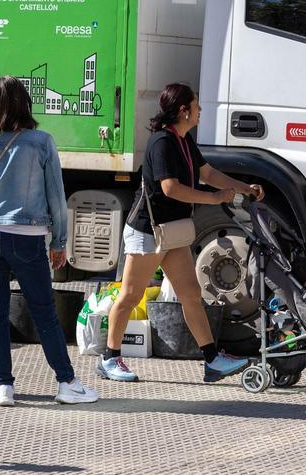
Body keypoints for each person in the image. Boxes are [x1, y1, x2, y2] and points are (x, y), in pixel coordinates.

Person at [98, 82, 262, 384]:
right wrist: (214, 198)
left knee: (191, 294)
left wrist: (243, 188)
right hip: (149, 230)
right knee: (131, 295)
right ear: (183, 110)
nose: (200, 110)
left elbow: (208, 173)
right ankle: (110, 357)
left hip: (172, 231)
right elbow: (169, 188)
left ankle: (212, 360)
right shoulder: (161, 142)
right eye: (196, 105)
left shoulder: (184, 140)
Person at [0, 76, 99, 407]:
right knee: (44, 311)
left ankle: (2, 386)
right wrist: (60, 242)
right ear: (25, 104)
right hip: (28, 237)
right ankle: (66, 382)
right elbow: (55, 195)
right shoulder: (40, 142)